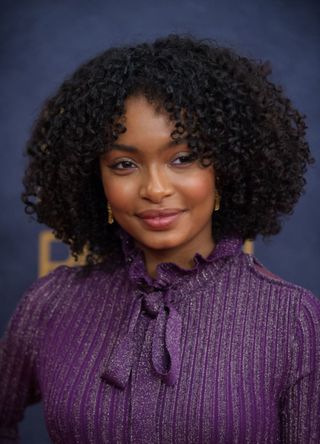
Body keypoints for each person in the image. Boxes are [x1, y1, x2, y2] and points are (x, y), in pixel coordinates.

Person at [0, 34, 319, 443]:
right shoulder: (51, 302)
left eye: (182, 158)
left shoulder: (291, 319)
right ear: (94, 179)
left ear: (226, 168)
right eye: (124, 164)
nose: (154, 188)